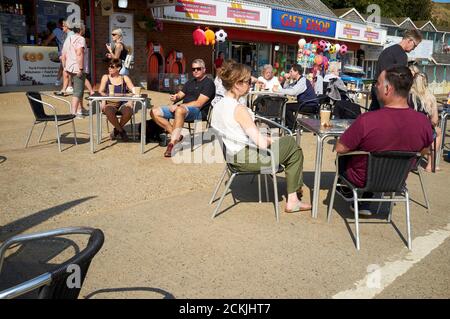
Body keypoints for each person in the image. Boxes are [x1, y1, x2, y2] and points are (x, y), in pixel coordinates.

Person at [211, 61, 311, 213]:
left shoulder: (217, 106)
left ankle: (294, 195)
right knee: (292, 145)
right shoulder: (238, 109)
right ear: (237, 84)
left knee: (290, 147)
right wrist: (272, 140)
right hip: (246, 159)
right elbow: (262, 144)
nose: (250, 84)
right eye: (247, 81)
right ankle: (293, 198)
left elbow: (236, 132)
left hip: (232, 157)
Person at [336, 66, 434, 216]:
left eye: (378, 83)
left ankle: (347, 189)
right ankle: (363, 202)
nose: (376, 86)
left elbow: (340, 148)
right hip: (397, 180)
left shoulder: (367, 120)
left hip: (362, 179)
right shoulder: (423, 122)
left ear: (388, 88)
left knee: (343, 158)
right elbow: (424, 151)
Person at [150, 59, 215, 157]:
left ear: (204, 69)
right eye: (193, 69)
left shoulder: (209, 83)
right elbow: (181, 95)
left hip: (199, 112)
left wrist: (179, 106)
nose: (195, 71)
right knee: (154, 111)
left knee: (179, 110)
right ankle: (177, 135)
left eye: (198, 69)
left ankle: (172, 144)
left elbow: (199, 103)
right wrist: (176, 97)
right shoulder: (190, 82)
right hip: (182, 110)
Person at [369, 29, 422, 111]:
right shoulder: (401, 55)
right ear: (409, 40)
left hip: (377, 88)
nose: (414, 49)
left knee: (373, 115)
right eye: (415, 45)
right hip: (387, 91)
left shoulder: (387, 50)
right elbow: (398, 80)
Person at [409, 65, 441, 172]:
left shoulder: (407, 95)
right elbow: (434, 121)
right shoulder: (430, 97)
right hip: (422, 133)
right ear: (426, 83)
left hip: (407, 130)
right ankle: (431, 165)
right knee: (438, 131)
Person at [98, 59, 135, 141]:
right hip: (110, 103)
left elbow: (134, 90)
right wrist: (104, 99)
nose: (109, 68)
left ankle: (116, 131)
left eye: (112, 67)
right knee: (108, 110)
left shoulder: (124, 78)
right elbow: (100, 91)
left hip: (123, 103)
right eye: (109, 66)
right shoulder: (106, 77)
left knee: (129, 111)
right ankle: (121, 131)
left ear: (118, 68)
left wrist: (130, 101)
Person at [275, 64, 318, 129]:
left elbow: (293, 92)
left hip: (310, 105)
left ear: (296, 72)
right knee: (287, 106)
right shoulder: (298, 81)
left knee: (287, 107)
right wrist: (287, 80)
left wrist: (278, 90)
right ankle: (290, 125)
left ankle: (292, 126)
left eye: (291, 71)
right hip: (305, 104)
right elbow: (287, 88)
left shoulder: (302, 81)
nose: (290, 73)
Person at [60, 23, 87, 118]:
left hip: (69, 66)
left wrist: (64, 67)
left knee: (79, 90)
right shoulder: (81, 39)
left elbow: (63, 54)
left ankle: (80, 110)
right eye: (84, 29)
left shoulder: (68, 38)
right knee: (78, 91)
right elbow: (79, 53)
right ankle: (74, 113)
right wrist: (81, 68)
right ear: (81, 30)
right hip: (77, 67)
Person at [43, 19, 65, 86]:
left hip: (63, 52)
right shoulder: (67, 32)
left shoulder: (56, 30)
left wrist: (43, 43)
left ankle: (60, 82)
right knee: (63, 67)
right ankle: (59, 82)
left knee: (63, 68)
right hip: (66, 52)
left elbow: (47, 41)